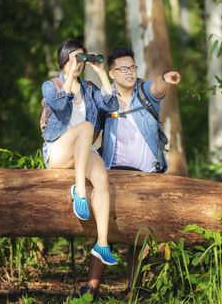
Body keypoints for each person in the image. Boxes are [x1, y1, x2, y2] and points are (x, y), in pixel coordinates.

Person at [80, 46, 181, 299]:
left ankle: (133, 289)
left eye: (132, 67)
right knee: (108, 230)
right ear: (112, 73)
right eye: (123, 68)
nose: (129, 72)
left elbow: (157, 87)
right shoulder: (106, 99)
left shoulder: (144, 93)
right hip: (114, 173)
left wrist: (166, 77)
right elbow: (90, 134)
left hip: (147, 175)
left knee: (139, 234)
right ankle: (90, 289)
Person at [41, 39, 119, 266]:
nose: (80, 63)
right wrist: (69, 76)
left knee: (102, 178)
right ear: (65, 58)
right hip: (57, 151)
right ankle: (80, 193)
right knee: (85, 127)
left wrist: (102, 74)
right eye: (76, 57)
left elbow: (112, 106)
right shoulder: (51, 85)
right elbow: (57, 106)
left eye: (82, 59)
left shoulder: (89, 89)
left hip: (82, 153)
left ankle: (102, 243)